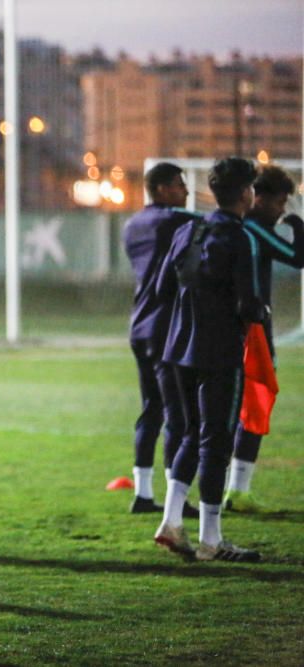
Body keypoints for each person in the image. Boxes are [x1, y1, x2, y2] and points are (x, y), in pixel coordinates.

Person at [153, 156, 265, 563]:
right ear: (246, 194)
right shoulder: (240, 237)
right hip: (217, 350)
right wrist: (260, 315)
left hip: (177, 348)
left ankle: (170, 522)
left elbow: (165, 285)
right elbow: (251, 304)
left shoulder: (189, 228)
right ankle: (211, 540)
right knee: (215, 441)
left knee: (188, 433)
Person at [225, 165, 304, 512]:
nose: (282, 211)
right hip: (252, 334)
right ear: (259, 198)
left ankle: (229, 489)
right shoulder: (254, 228)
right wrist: (299, 227)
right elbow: (297, 258)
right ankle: (237, 491)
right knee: (255, 405)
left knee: (232, 410)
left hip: (230, 330)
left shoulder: (237, 227)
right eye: (280, 203)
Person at [122, 162, 198, 517]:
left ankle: (142, 493)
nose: (185, 191)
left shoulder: (132, 224)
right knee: (177, 416)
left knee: (151, 409)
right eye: (181, 184)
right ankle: (175, 504)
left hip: (139, 324)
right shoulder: (176, 221)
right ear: (164, 188)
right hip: (167, 326)